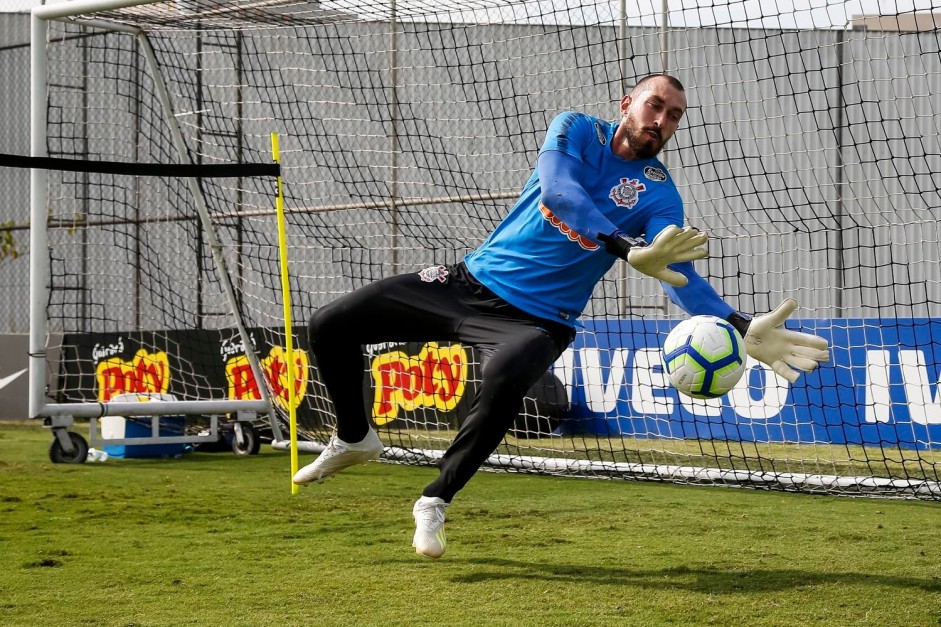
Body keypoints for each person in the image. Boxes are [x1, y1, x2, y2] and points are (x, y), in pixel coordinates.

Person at [293, 73, 830, 559]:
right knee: (331, 323)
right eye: (655, 106)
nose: (661, 122)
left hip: (540, 321)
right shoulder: (575, 129)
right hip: (467, 283)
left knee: (508, 373)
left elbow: (676, 274)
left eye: (673, 117)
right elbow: (560, 191)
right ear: (627, 104)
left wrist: (738, 326)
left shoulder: (661, 195)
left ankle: (435, 497)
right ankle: (356, 435)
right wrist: (622, 244)